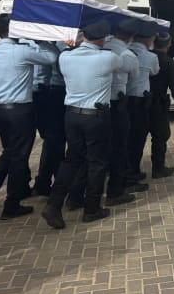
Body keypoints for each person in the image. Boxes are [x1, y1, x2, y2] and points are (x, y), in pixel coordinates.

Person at [0, 14, 58, 219]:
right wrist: (41, 39)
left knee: (9, 153)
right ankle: (10, 203)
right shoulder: (21, 52)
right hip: (19, 110)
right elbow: (52, 58)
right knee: (18, 157)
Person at [41, 20, 122, 229]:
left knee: (71, 160)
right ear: (103, 39)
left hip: (71, 115)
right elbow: (120, 59)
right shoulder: (108, 58)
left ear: (83, 36)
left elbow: (67, 54)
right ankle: (91, 208)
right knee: (97, 162)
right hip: (96, 116)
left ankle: (54, 203)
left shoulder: (65, 57)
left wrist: (72, 45)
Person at [102, 17, 140, 204]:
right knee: (119, 149)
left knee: (94, 151)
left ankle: (78, 196)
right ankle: (115, 192)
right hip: (117, 105)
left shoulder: (100, 46)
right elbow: (135, 77)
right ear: (131, 37)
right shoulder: (128, 56)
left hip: (95, 106)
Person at [30, 41, 68, 197]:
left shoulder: (31, 45)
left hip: (46, 93)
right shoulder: (56, 47)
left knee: (52, 141)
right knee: (56, 140)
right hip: (53, 93)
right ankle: (57, 183)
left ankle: (44, 181)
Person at [126, 22, 160, 181]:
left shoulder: (124, 52)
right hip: (139, 103)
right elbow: (155, 71)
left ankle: (123, 172)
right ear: (149, 39)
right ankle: (132, 173)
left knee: (123, 140)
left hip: (121, 102)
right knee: (137, 139)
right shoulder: (151, 56)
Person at [149, 32, 174, 176]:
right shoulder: (168, 62)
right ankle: (158, 169)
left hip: (139, 103)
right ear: (169, 45)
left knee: (136, 138)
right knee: (160, 136)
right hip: (158, 104)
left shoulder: (145, 57)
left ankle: (133, 171)